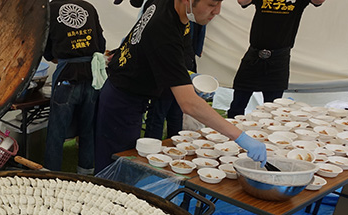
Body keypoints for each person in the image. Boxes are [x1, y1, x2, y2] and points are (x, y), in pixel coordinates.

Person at [95, 0, 266, 174]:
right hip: (122, 99)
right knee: (113, 168)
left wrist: (187, 75)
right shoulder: (164, 31)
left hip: (130, 90)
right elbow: (189, 103)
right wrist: (240, 137)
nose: (217, 11)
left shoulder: (175, 8)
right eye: (211, 4)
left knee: (123, 162)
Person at [227, 0, 327, 119]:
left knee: (272, 109)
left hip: (279, 58)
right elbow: (242, 2)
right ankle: (230, 133)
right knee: (237, 104)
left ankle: (267, 135)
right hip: (254, 55)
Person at [43, 0, 107, 175]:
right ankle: (86, 172)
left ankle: (51, 174)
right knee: (88, 127)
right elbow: (101, 44)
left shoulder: (48, 10)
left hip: (67, 75)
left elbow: (45, 49)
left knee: (57, 131)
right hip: (91, 74)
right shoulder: (89, 7)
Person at [143, 23, 204, 140]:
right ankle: (168, 145)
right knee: (170, 112)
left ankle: (164, 146)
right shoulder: (180, 16)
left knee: (162, 113)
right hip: (179, 67)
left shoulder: (175, 18)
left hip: (173, 69)